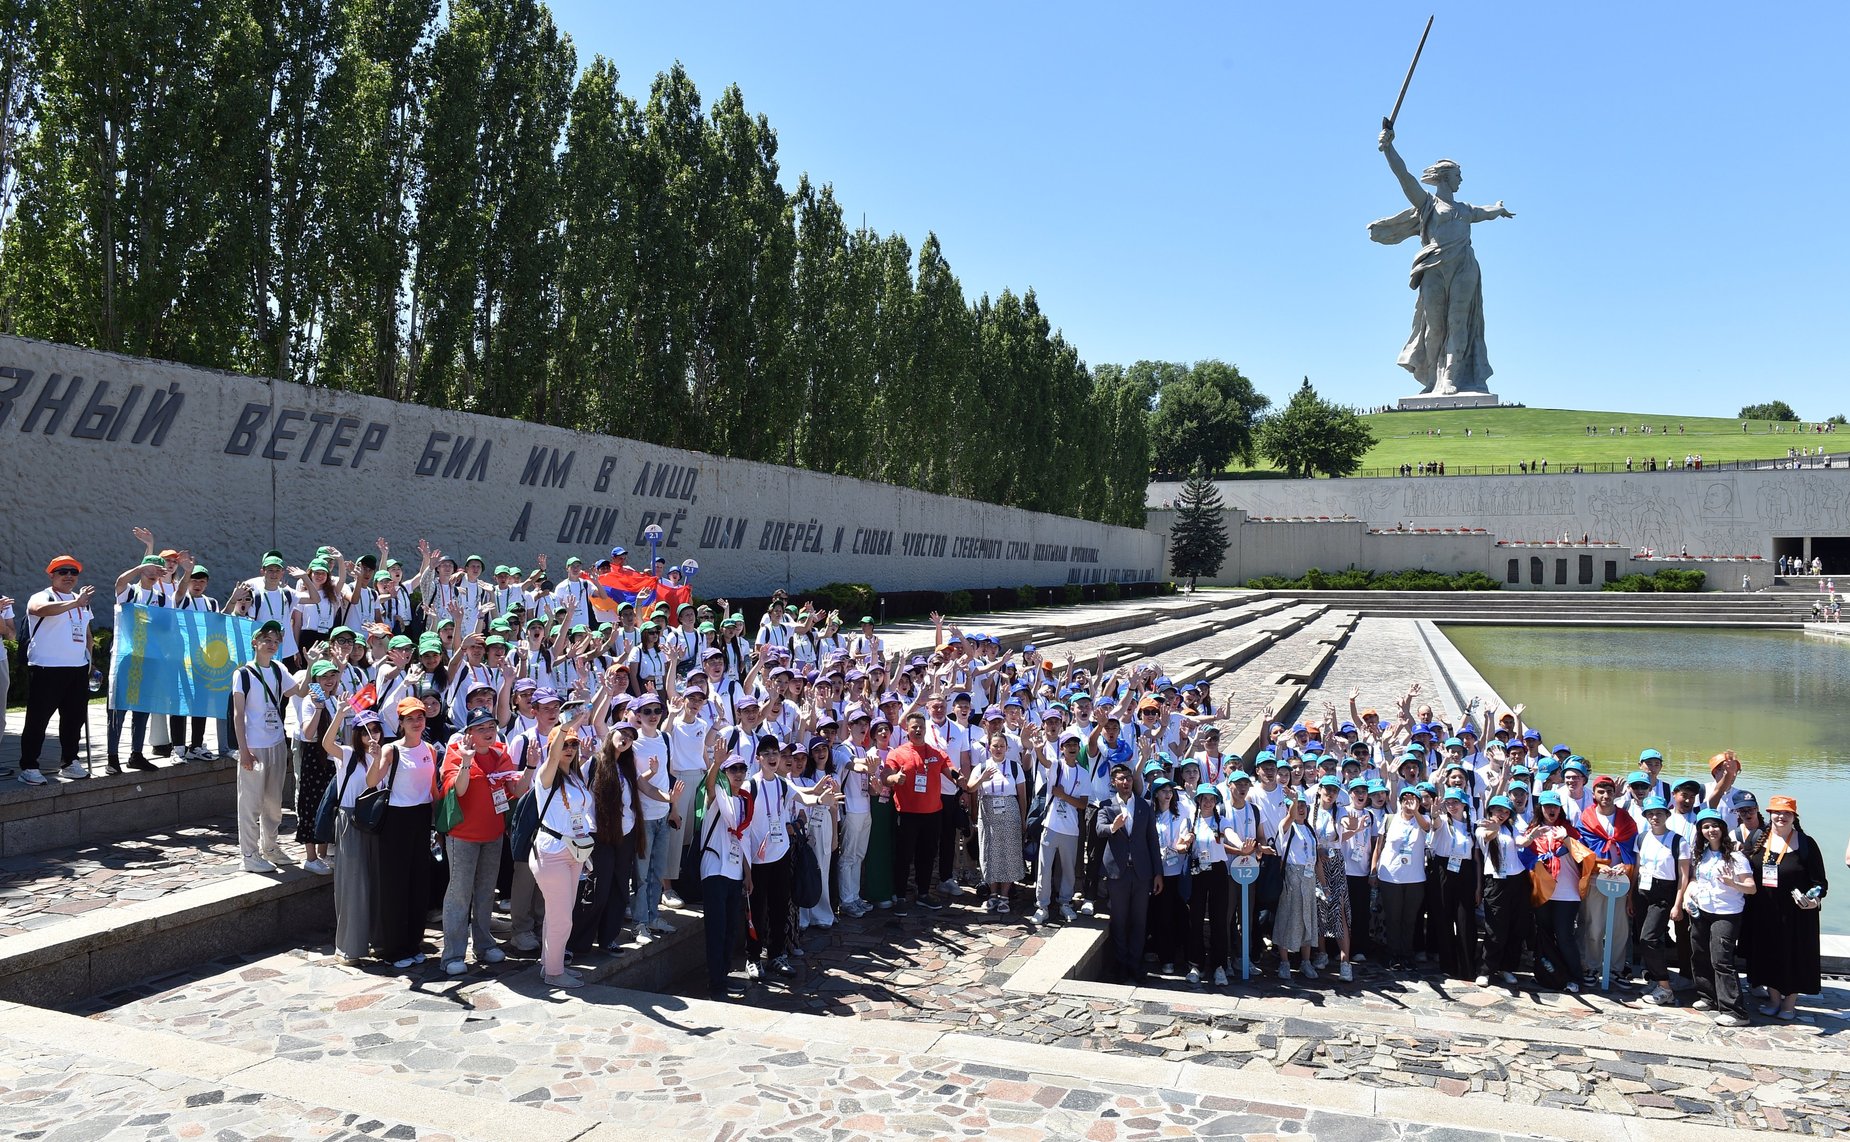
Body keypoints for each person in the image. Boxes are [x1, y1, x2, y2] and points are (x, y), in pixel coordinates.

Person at [1371, 126, 1515, 396]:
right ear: (1445, 178)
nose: (1461, 180)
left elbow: (1485, 211)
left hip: (1463, 266)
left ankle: (1451, 377)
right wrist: (1389, 149)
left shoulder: (1464, 209)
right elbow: (1405, 178)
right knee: (1434, 326)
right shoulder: (1427, 204)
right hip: (1434, 267)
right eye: (1458, 175)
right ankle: (1432, 378)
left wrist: (1499, 208)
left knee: (1458, 322)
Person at [437, 701, 515, 975]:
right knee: (459, 894)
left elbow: (515, 787)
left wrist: (530, 765)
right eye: (480, 728)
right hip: (463, 836)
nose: (488, 732)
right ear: (468, 733)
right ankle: (452, 954)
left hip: (493, 834)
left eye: (491, 726)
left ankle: (483, 944)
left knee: (485, 893)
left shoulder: (501, 752)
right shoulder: (456, 754)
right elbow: (458, 791)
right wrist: (468, 760)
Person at [1745, 795, 1828, 1019]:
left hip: (1796, 914)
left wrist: (1813, 900)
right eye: (1777, 812)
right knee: (1767, 954)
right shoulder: (1757, 838)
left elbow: (1820, 884)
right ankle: (1773, 1000)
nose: (1781, 817)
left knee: (1794, 957)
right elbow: (1743, 868)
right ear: (1770, 814)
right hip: (1763, 910)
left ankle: (1789, 1004)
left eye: (1787, 813)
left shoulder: (1806, 843)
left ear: (1794, 816)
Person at [529, 710, 595, 988]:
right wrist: (567, 725)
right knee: (562, 918)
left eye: (573, 744)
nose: (569, 748)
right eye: (564, 743)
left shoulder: (576, 776)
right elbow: (553, 756)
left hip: (574, 851)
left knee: (559, 914)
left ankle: (550, 965)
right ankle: (556, 974)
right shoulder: (546, 775)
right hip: (552, 851)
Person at [18, 556, 95, 785]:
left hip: (77, 669)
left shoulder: (81, 601)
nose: (69, 576)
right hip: (47, 668)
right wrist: (75, 603)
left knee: (74, 719)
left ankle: (70, 762)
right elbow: (38, 609)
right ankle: (29, 766)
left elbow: (87, 633)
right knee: (38, 720)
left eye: (73, 572)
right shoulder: (43, 595)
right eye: (63, 572)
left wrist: (89, 660)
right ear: (51, 574)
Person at [231, 620, 300, 872]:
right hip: (254, 746)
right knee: (250, 802)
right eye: (266, 640)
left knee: (273, 802)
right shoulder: (243, 674)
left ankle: (270, 847)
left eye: (275, 641)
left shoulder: (280, 669)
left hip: (277, 743)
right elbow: (239, 715)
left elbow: (300, 692)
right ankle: (248, 854)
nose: (271, 645)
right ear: (255, 642)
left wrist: (313, 664)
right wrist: (244, 750)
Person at [323, 706, 388, 964]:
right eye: (366, 732)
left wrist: (378, 756)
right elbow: (327, 743)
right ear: (357, 734)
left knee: (375, 881)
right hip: (350, 819)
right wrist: (339, 713)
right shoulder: (348, 754)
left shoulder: (382, 756)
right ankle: (349, 947)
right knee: (352, 883)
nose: (372, 736)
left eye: (376, 730)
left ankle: (377, 939)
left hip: (375, 821)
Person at [572, 723, 644, 955]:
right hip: (599, 834)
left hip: (625, 834)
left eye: (631, 737)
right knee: (596, 890)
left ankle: (608, 938)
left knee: (620, 888)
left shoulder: (626, 765)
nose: (626, 738)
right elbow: (576, 788)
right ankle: (577, 944)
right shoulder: (593, 762)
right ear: (611, 734)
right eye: (623, 733)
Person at [1683, 808, 1755, 1025]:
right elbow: (1696, 879)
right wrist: (1688, 895)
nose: (1710, 830)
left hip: (1726, 913)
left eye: (1714, 826)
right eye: (1705, 827)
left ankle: (1735, 1011)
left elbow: (1751, 888)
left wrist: (1733, 883)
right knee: (1700, 954)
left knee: (1722, 960)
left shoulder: (1735, 856)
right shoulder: (1703, 853)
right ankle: (1708, 996)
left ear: (1723, 829)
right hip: (1702, 910)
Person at [1096, 762, 1162, 984]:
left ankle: (1136, 965)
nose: (1126, 782)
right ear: (1113, 782)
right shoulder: (1107, 805)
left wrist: (1158, 873)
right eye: (1121, 779)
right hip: (1117, 873)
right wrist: (1113, 828)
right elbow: (1099, 829)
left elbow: (1152, 840)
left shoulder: (1145, 805)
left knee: (1139, 921)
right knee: (1119, 921)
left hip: (1142, 874)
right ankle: (1121, 966)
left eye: (1129, 779)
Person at [698, 751, 754, 998]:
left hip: (734, 872)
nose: (738, 774)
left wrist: (748, 874)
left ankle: (723, 975)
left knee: (731, 928)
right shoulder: (717, 797)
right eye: (733, 770)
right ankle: (715, 983)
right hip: (714, 869)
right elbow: (709, 787)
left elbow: (744, 840)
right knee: (716, 928)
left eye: (742, 769)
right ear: (724, 773)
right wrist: (716, 763)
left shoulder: (744, 801)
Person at [884, 712, 949, 912]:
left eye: (921, 726)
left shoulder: (935, 752)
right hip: (907, 814)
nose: (918, 730)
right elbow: (887, 775)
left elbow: (950, 768)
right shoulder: (897, 753)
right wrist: (895, 779)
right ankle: (900, 896)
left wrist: (962, 779)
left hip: (932, 813)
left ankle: (923, 894)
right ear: (907, 729)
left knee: (927, 855)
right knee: (904, 856)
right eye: (914, 727)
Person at [1635, 796, 1692, 1006]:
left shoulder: (1679, 841)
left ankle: (1665, 987)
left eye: (1659, 813)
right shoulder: (1642, 838)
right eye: (1650, 813)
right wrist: (1631, 899)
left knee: (1648, 938)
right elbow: (1638, 868)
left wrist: (1678, 904)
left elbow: (1683, 876)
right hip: (1642, 891)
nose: (1654, 817)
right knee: (1647, 939)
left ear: (1667, 815)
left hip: (1664, 893)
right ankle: (1655, 978)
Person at [1474, 795, 1536, 987]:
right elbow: (1487, 837)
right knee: (1495, 927)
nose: (1501, 814)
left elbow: (1521, 842)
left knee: (1516, 926)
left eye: (1505, 811)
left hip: (1517, 880)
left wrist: (1534, 836)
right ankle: (1486, 969)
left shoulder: (1512, 828)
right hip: (1496, 881)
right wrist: (1494, 828)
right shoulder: (1483, 827)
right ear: (1491, 810)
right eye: (1498, 810)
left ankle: (1508, 967)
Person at [1030, 728, 1088, 927]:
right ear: (1062, 748)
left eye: (1075, 745)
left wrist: (1064, 796)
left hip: (1071, 829)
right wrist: (1038, 750)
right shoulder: (1056, 765)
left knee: (1068, 870)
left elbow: (1083, 804)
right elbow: (1045, 762)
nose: (1072, 748)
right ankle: (1042, 906)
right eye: (1068, 745)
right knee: (1044, 869)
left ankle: (1065, 902)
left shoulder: (1084, 773)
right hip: (1051, 825)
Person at [967, 728, 1028, 913]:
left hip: (1010, 812)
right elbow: (970, 788)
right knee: (989, 851)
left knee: (1009, 852)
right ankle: (992, 894)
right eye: (995, 746)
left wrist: (1024, 819)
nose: (999, 749)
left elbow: (1023, 796)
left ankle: (1004, 895)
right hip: (988, 814)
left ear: (1007, 748)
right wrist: (982, 778)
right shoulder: (981, 767)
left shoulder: (1015, 767)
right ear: (989, 747)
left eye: (1002, 746)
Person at [1372, 787, 1430, 969]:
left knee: (1410, 918)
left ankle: (1407, 953)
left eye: (1413, 799)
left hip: (1415, 878)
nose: (1408, 802)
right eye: (1405, 799)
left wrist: (1416, 812)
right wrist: (1373, 870)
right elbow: (1378, 846)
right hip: (1391, 876)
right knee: (1393, 918)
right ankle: (1392, 953)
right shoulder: (1389, 819)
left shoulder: (1423, 819)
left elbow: (1427, 828)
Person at [1272, 794, 1322, 980]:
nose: (1301, 808)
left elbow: (1315, 858)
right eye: (1296, 805)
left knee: (1307, 920)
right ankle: (1284, 962)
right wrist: (1293, 802)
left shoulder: (1309, 829)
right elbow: (1287, 821)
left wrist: (1323, 885)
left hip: (1308, 880)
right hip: (1292, 879)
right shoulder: (1287, 826)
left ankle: (1306, 961)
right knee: (1287, 918)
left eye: (1303, 805)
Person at [1148, 778, 1189, 973]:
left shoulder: (1180, 815)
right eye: (1163, 790)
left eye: (1170, 790)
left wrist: (1184, 843)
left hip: (1176, 872)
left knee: (1174, 915)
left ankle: (1173, 956)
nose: (1167, 794)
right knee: (1159, 915)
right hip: (1156, 871)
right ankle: (1161, 954)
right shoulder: (1150, 816)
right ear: (1155, 794)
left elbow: (1184, 836)